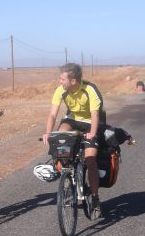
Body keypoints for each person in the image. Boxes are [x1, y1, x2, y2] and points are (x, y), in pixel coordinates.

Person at [42, 63, 106, 219]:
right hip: (72, 121)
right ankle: (64, 169)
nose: (59, 82)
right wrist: (48, 133)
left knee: (90, 160)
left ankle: (96, 199)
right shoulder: (61, 91)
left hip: (91, 122)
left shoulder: (90, 89)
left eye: (62, 79)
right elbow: (52, 114)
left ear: (73, 81)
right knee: (61, 134)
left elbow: (95, 114)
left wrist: (92, 133)